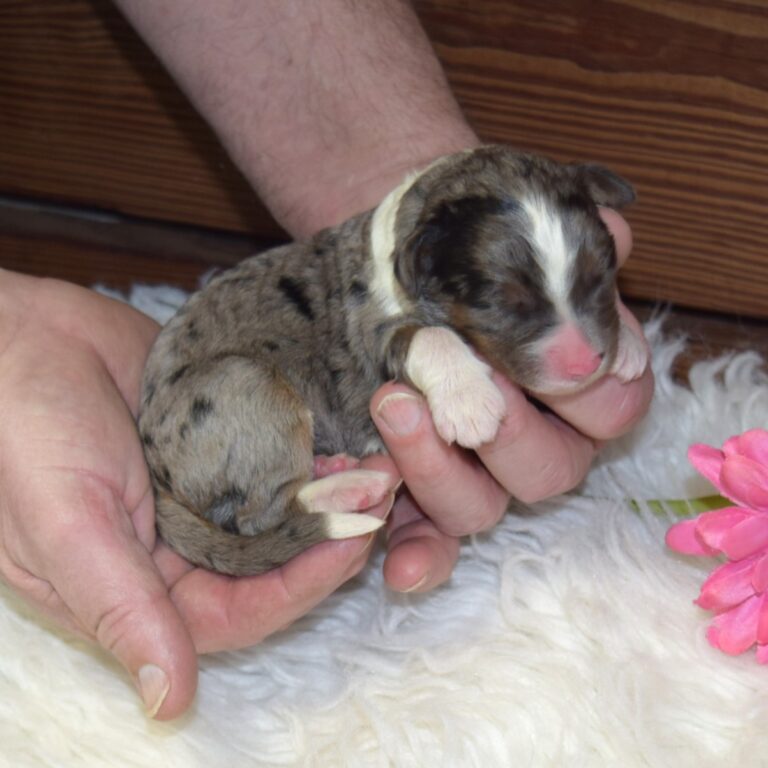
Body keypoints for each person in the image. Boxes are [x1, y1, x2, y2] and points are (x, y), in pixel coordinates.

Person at [0, 0, 653, 720]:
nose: (581, 348)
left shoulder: (420, 246)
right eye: (517, 304)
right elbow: (395, 343)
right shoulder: (394, 288)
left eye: (594, 288)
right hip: (223, 405)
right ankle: (279, 504)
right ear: (420, 266)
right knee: (275, 400)